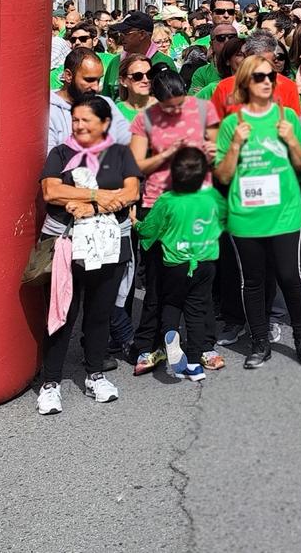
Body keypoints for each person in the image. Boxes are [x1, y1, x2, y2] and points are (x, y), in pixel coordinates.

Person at [214, 53, 301, 368]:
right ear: (245, 83)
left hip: (284, 213)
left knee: (289, 276)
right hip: (246, 216)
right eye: (258, 77)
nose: (266, 82)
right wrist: (234, 145)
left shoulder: (287, 117)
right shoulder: (232, 123)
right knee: (253, 280)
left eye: (270, 77)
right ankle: (260, 343)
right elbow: (222, 175)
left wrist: (292, 142)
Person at [37, 96, 141, 414]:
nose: (80, 126)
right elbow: (51, 191)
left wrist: (89, 206)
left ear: (105, 124)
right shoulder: (61, 153)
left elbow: (131, 192)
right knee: (62, 313)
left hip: (110, 245)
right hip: (66, 244)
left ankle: (94, 374)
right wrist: (99, 194)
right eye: (76, 120)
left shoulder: (120, 155)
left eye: (87, 121)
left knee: (99, 313)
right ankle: (50, 382)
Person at [127, 65, 221, 374]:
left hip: (197, 202)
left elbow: (217, 148)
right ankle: (149, 346)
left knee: (201, 282)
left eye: (180, 103)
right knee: (156, 284)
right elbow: (138, 164)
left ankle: (204, 345)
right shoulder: (146, 119)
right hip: (158, 203)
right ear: (155, 99)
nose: (176, 110)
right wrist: (167, 154)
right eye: (169, 106)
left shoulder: (204, 109)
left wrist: (211, 151)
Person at [134, 146, 223, 380]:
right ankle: (194, 364)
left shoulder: (167, 200)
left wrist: (136, 223)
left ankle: (171, 334)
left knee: (171, 303)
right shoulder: (211, 198)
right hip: (205, 262)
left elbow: (150, 229)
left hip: (175, 264)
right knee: (197, 310)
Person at [50, 48, 129, 150]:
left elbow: (129, 138)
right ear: (68, 76)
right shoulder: (49, 113)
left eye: (98, 80)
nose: (96, 87)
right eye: (89, 80)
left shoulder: (106, 104)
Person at [113, 54, 155, 126]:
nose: (146, 80)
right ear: (123, 81)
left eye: (149, 74)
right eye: (137, 76)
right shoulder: (116, 112)